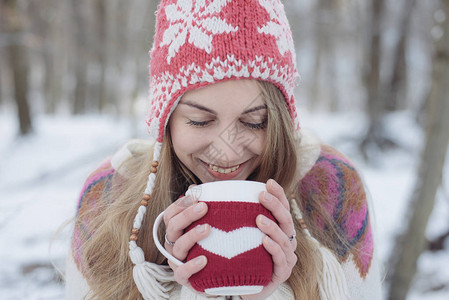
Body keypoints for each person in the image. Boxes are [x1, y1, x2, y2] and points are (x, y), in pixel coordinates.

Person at [65, 0, 382, 299]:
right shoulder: (107, 195)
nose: (227, 153)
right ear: (167, 120)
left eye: (255, 122)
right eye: (200, 121)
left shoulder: (332, 187)